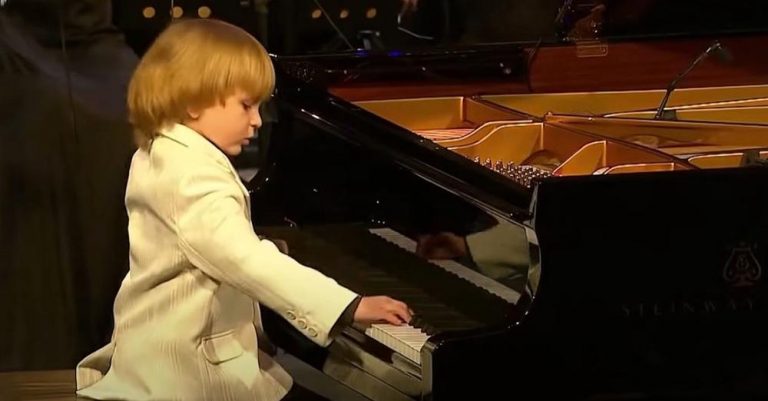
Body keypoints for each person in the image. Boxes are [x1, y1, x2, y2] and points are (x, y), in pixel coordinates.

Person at [75, 17, 412, 401]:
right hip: (190, 375)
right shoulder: (192, 175)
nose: (256, 121)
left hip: (164, 350)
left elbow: (211, 244)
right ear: (192, 100)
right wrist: (347, 306)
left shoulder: (162, 151)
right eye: (246, 105)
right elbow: (242, 257)